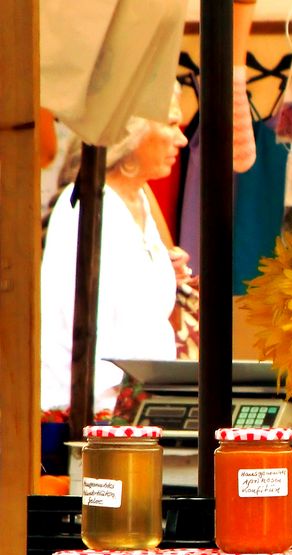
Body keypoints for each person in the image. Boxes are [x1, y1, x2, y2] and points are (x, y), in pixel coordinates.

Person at [41, 94, 190, 413]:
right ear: (130, 133)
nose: (181, 138)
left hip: (142, 410)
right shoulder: (85, 206)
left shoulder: (141, 204)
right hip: (97, 414)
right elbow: (74, 328)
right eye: (172, 123)